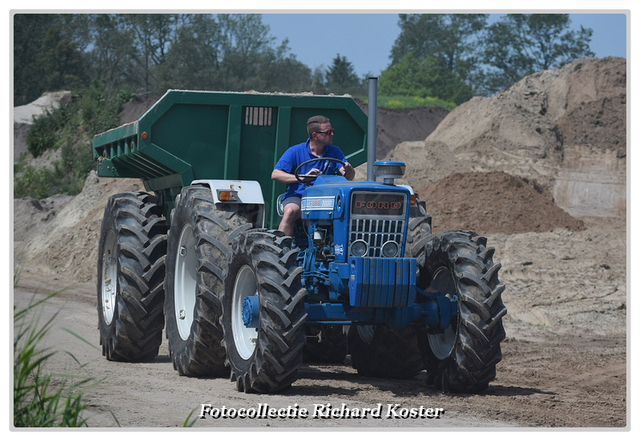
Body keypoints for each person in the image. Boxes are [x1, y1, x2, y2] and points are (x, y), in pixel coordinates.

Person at [272, 115, 355, 235]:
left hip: (327, 199)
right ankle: (282, 246)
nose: (332, 134)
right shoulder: (294, 151)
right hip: (299, 197)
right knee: (289, 211)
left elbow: (348, 176)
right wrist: (301, 178)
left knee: (348, 212)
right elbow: (275, 174)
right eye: (328, 132)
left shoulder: (334, 151)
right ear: (315, 135)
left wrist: (349, 169)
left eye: (332, 131)